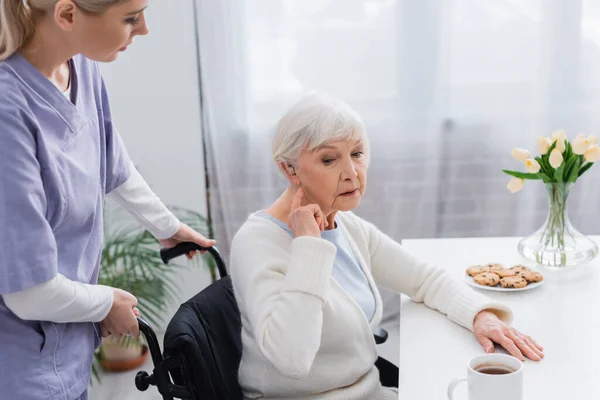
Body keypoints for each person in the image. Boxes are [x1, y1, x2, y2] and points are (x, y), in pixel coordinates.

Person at [229, 93, 544, 399]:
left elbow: (423, 279)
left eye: (357, 153)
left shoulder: (345, 225)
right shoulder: (257, 243)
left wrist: (481, 317)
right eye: (329, 159)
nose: (352, 173)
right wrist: (309, 246)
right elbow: (292, 361)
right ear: (289, 169)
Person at [0, 1, 215, 399]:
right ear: (67, 15)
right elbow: (27, 291)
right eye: (131, 18)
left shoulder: (81, 66)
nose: (145, 29)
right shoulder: (8, 112)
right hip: (18, 364)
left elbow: (111, 160)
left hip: (64, 346)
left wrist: (167, 227)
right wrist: (105, 303)